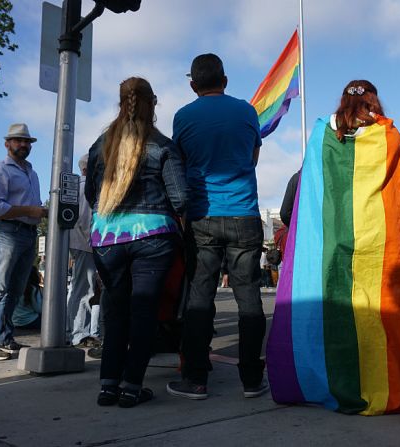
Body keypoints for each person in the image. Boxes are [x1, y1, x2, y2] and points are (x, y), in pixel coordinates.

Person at [266, 80, 400, 415]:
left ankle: (333, 383)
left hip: (331, 242)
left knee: (335, 316)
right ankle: (377, 383)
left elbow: (307, 194)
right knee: (376, 318)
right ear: (375, 100)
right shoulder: (388, 136)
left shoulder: (323, 135)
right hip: (377, 245)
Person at [167, 53, 267, 400]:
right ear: (224, 80)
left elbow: (179, 164)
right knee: (249, 298)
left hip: (202, 216)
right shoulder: (247, 111)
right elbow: (252, 158)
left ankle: (195, 379)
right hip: (244, 214)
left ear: (193, 85)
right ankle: (252, 380)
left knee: (199, 298)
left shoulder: (183, 117)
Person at [85, 76, 187, 408]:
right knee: (144, 312)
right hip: (153, 237)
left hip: (108, 238)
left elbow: (92, 195)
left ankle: (107, 386)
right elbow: (181, 198)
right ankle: (131, 387)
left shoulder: (101, 145)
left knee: (115, 310)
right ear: (152, 103)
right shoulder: (163, 145)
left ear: (120, 102)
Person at [0, 123, 47, 361]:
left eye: (27, 141)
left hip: (27, 233)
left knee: (14, 290)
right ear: (7, 144)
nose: (23, 144)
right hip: (7, 232)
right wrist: (32, 210)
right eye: (18, 140)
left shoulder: (31, 173)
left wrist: (38, 212)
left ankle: (2, 338)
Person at [67, 153, 100, 348]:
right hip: (87, 244)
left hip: (80, 244)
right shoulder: (87, 187)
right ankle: (79, 333)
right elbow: (85, 220)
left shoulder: (77, 186)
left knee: (83, 289)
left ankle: (80, 331)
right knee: (84, 290)